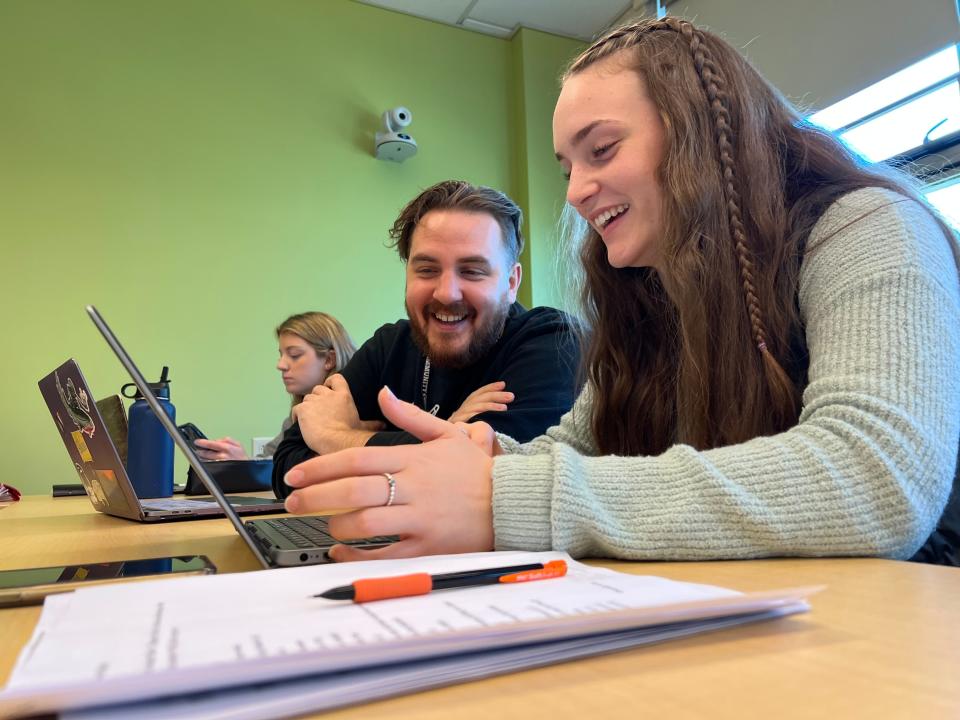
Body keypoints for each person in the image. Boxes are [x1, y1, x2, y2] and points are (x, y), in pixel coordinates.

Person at [280, 18, 960, 565]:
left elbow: (878, 477)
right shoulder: (651, 295)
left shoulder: (868, 227)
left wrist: (506, 493)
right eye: (568, 165)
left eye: (601, 150)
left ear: (699, 136)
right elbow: (572, 454)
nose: (575, 191)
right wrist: (480, 463)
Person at [271, 180, 580, 497]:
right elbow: (287, 471)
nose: (446, 293)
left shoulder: (551, 341)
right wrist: (447, 436)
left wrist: (336, 436)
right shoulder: (387, 348)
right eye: (427, 270)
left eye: (472, 270)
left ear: (511, 282)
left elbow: (485, 483)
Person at [194, 312, 357, 460]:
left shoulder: (358, 412)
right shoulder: (297, 416)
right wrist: (241, 462)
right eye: (281, 355)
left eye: (294, 355)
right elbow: (272, 461)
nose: (281, 365)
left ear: (329, 359)